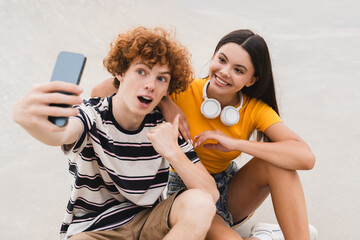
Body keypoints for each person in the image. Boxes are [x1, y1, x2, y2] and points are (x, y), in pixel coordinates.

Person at [91, 29, 318, 240]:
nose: (224, 72)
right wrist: (167, 102)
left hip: (231, 190)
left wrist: (236, 143)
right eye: (221, 60)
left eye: (239, 70)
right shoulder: (183, 89)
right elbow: (101, 92)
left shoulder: (255, 109)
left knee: (278, 165)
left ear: (251, 80)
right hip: (185, 191)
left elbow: (305, 157)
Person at [13, 26, 219, 240]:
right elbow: (59, 134)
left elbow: (210, 195)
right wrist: (29, 121)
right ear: (120, 72)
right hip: (95, 229)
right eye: (141, 72)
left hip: (149, 222)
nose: (150, 85)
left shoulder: (165, 125)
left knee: (199, 204)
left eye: (161, 78)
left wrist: (173, 153)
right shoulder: (92, 115)